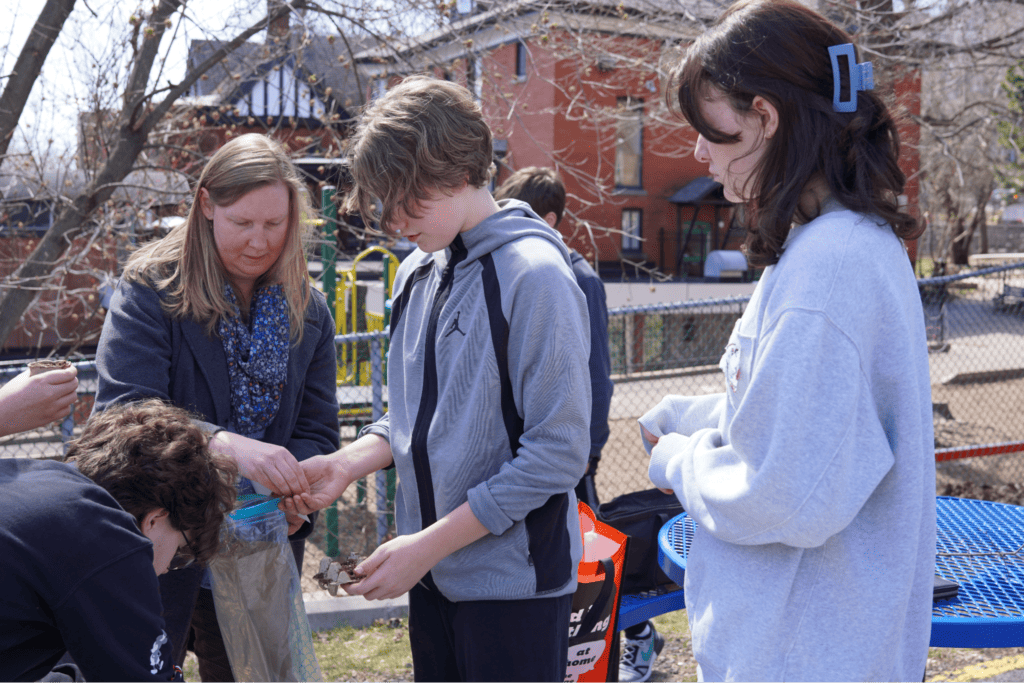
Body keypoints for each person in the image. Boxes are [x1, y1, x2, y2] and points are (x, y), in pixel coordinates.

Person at [639, 1, 935, 680]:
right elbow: (821, 429)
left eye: (712, 130)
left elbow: (783, 494)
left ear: (766, 119)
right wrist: (702, 417)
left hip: (804, 653)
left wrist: (678, 460)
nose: (698, 152)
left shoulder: (828, 269)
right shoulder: (839, 245)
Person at [282, 75, 592, 683]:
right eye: (383, 203)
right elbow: (415, 412)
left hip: (514, 587)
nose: (394, 222)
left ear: (455, 168)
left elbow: (558, 455)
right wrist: (348, 463)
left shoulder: (537, 277)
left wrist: (426, 546)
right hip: (430, 575)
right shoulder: (415, 273)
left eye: (406, 200)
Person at [93, 133, 340, 681]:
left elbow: (318, 430)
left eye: (274, 225)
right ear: (207, 205)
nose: (259, 242)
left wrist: (297, 487)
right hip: (158, 550)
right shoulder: (150, 291)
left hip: (260, 552)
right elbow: (124, 413)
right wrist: (221, 444)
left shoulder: (310, 309)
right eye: (242, 223)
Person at [492, 167, 663, 681]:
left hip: (573, 452)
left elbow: (595, 373)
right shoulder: (520, 270)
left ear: (549, 220)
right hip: (537, 448)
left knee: (590, 558)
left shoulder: (577, 277)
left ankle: (636, 636)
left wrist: (589, 448)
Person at [1, 398, 237, 682]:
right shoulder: (104, 535)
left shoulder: (33, 477)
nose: (164, 570)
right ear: (155, 519)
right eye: (180, 551)